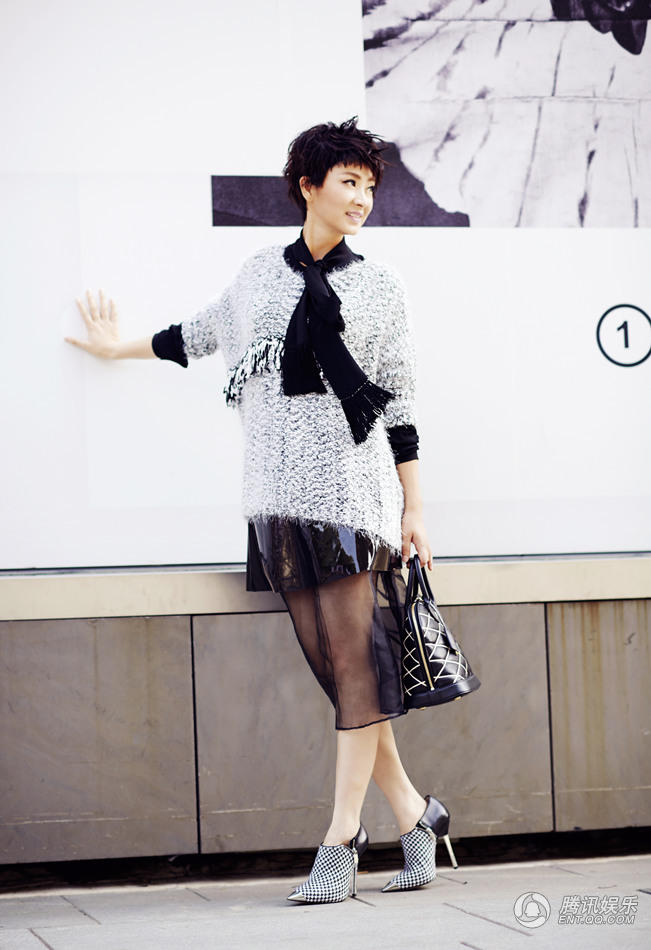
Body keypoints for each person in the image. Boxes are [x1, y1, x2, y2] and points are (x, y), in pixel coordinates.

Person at [64, 116, 458, 904]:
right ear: (308, 187)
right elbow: (198, 334)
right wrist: (116, 348)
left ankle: (340, 839)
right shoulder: (256, 277)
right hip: (275, 501)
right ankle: (418, 816)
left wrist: (414, 505)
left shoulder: (380, 287)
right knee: (342, 675)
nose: (361, 199)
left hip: (353, 500)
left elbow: (400, 400)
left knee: (353, 671)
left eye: (369, 186)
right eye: (347, 182)